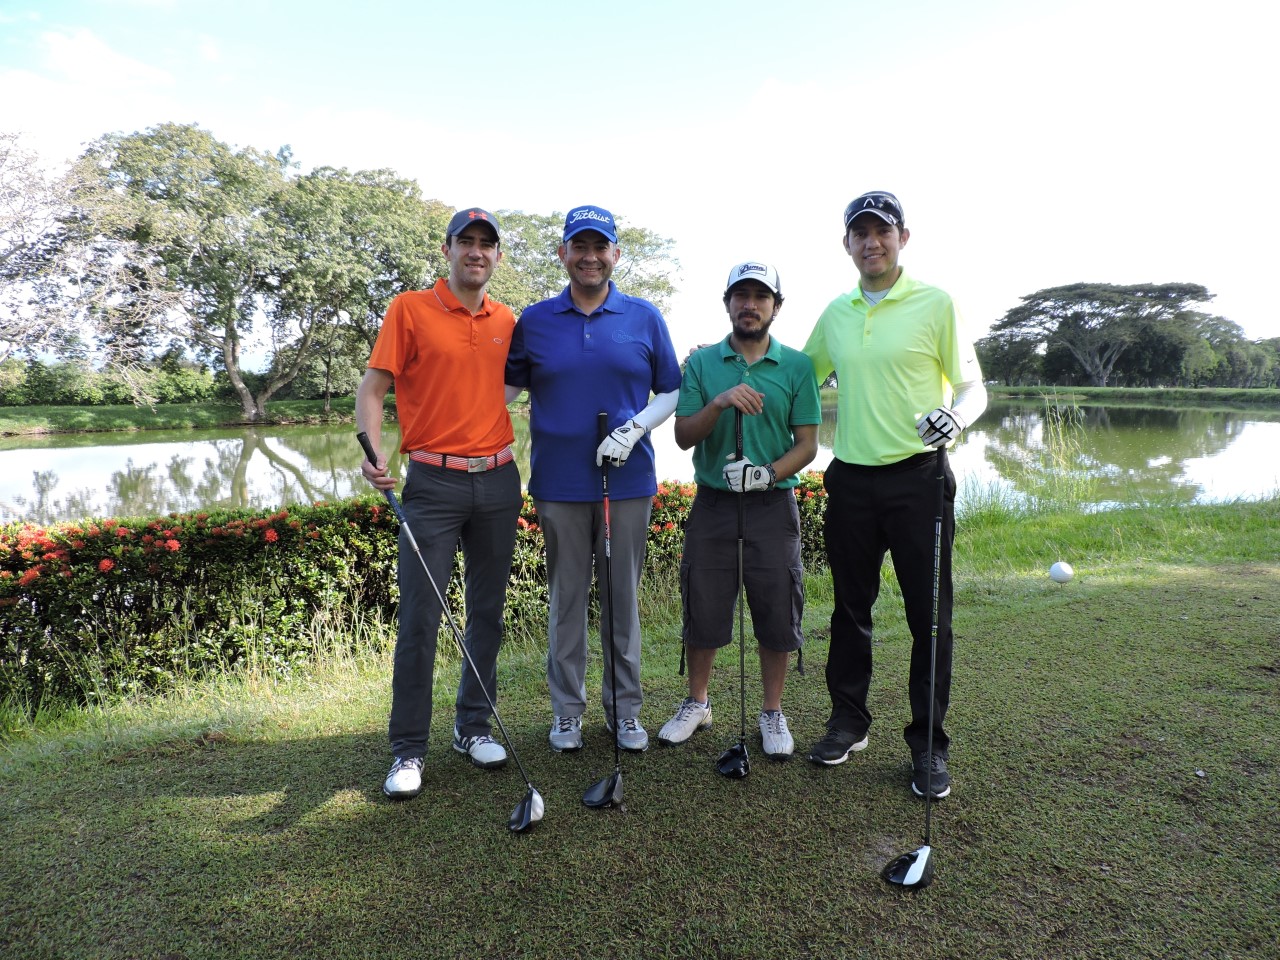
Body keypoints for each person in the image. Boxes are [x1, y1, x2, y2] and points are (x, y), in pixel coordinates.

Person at [801, 190, 987, 798]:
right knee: (849, 611)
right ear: (847, 244)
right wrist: (728, 371)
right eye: (860, 233)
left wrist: (955, 419)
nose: (871, 242)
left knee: (928, 618)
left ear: (902, 238)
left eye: (882, 231)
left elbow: (973, 388)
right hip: (851, 480)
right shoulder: (837, 313)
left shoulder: (936, 303)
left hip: (919, 479)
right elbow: (798, 376)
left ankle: (928, 743)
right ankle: (848, 722)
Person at [356, 207, 523, 800]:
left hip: (499, 480)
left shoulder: (507, 319)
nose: (476, 252)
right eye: (466, 241)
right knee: (421, 618)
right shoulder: (409, 309)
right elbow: (373, 388)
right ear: (448, 249)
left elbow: (507, 384)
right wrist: (374, 452)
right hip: (432, 482)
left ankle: (473, 728)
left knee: (488, 612)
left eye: (486, 244)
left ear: (497, 256)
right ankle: (408, 748)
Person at [504, 205, 682, 754]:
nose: (589, 257)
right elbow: (501, 392)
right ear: (563, 253)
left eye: (599, 247)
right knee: (566, 601)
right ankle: (567, 713)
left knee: (621, 600)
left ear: (615, 255)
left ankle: (625, 711)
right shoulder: (535, 320)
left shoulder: (644, 317)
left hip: (627, 483)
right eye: (579, 247)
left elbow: (671, 391)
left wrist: (633, 428)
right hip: (558, 484)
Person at [658, 261, 820, 759]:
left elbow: (808, 444)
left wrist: (766, 473)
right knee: (704, 604)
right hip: (714, 504)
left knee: (777, 608)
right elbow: (683, 436)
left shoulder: (797, 366)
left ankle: (771, 711)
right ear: (727, 303)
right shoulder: (702, 364)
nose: (750, 305)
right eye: (741, 296)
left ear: (776, 306)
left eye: (761, 296)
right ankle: (698, 703)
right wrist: (720, 401)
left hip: (772, 504)